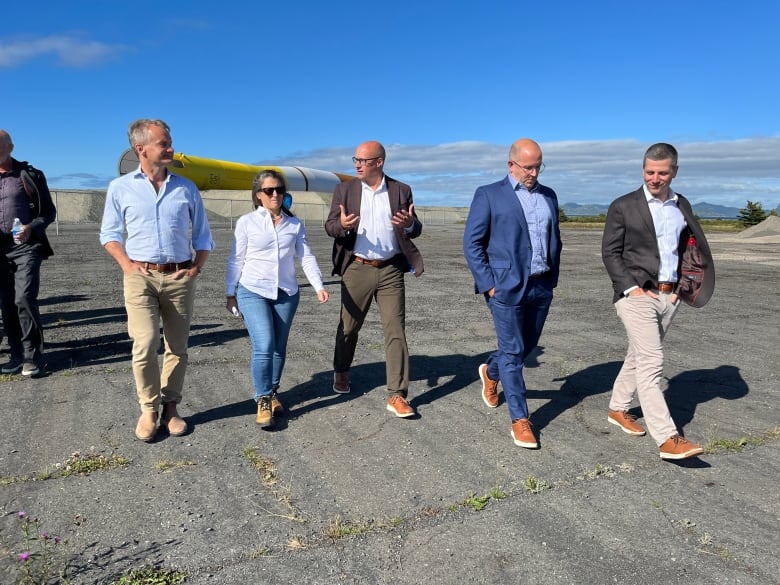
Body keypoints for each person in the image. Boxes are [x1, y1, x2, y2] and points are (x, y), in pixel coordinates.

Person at [100, 119, 214, 442]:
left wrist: (196, 269)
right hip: (140, 276)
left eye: (169, 141)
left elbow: (204, 237)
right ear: (142, 149)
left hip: (179, 276)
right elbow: (108, 234)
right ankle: (149, 409)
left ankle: (171, 407)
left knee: (177, 346)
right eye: (164, 143)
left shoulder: (186, 188)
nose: (171, 148)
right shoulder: (120, 188)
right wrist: (126, 264)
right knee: (146, 342)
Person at [602, 142, 715, 460]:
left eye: (662, 173)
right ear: (643, 170)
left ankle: (617, 408)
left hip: (670, 295)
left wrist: (682, 287)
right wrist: (630, 289)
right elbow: (610, 252)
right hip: (636, 295)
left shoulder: (682, 205)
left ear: (674, 172)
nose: (655, 178)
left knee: (638, 356)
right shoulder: (624, 205)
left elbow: (688, 247)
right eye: (649, 171)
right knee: (653, 362)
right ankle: (667, 438)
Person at [463, 138, 562, 449]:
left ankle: (490, 373)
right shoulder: (489, 195)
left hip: (541, 284)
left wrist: (552, 278)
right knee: (512, 351)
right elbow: (472, 243)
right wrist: (490, 284)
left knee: (526, 346)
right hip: (505, 287)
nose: (533, 172)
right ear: (511, 165)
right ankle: (520, 419)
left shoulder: (549, 196)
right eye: (528, 167)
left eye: (538, 166)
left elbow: (553, 238)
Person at [325, 141, 424, 418]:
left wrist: (410, 224)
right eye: (355, 159)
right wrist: (343, 227)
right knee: (348, 327)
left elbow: (415, 226)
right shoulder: (344, 189)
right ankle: (342, 371)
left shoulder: (401, 190)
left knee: (396, 329)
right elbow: (330, 226)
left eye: (363, 160)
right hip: (357, 267)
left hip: (391, 269)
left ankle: (397, 394)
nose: (357, 164)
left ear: (379, 162)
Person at [226, 170, 329, 428]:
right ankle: (261, 398)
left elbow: (305, 256)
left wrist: (318, 285)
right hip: (253, 290)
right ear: (258, 195)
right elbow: (236, 259)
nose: (275, 195)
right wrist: (230, 292)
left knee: (279, 348)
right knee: (264, 344)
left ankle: (272, 392)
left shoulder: (294, 224)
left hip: (286, 293)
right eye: (269, 191)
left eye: (279, 190)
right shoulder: (247, 222)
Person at [0, 129, 56, 377]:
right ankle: (16, 355)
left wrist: (30, 228)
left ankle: (32, 356)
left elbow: (48, 213)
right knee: (7, 303)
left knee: (23, 298)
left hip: (26, 247)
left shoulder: (29, 175)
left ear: (10, 146)